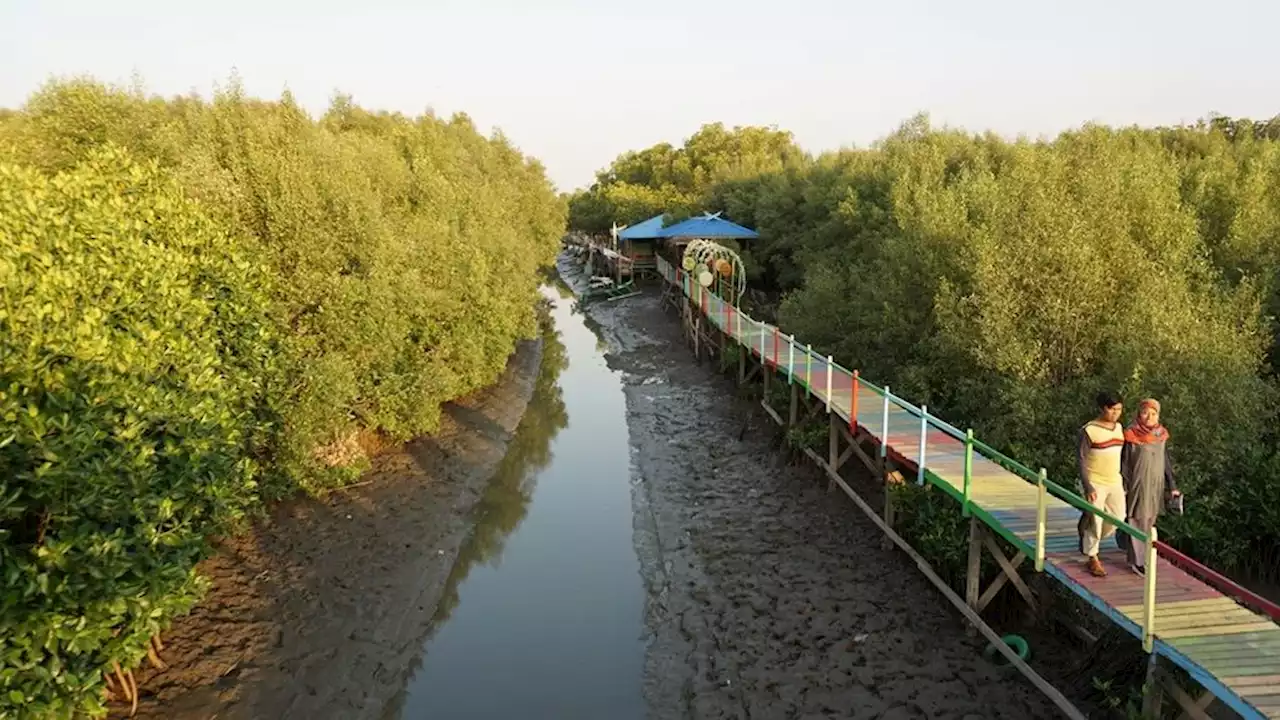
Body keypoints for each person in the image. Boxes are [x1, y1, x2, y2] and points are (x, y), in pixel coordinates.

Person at [1118, 398, 1181, 576]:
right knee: (1137, 517)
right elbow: (1124, 462)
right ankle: (1137, 561)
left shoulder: (1161, 434)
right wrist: (1123, 483)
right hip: (1137, 482)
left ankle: (1134, 549)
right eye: (1145, 412)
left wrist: (1172, 485)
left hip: (1155, 485)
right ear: (1139, 413)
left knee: (1149, 519)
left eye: (1153, 414)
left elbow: (1166, 461)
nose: (1149, 417)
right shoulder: (1130, 433)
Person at [1077, 391, 1126, 577]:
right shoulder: (1089, 430)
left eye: (1119, 409)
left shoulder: (1119, 428)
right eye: (1112, 409)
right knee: (1096, 520)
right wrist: (1087, 485)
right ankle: (1092, 557)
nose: (1115, 413)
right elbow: (1081, 459)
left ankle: (1086, 530)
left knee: (1118, 517)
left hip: (1114, 479)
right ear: (1102, 408)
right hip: (1095, 480)